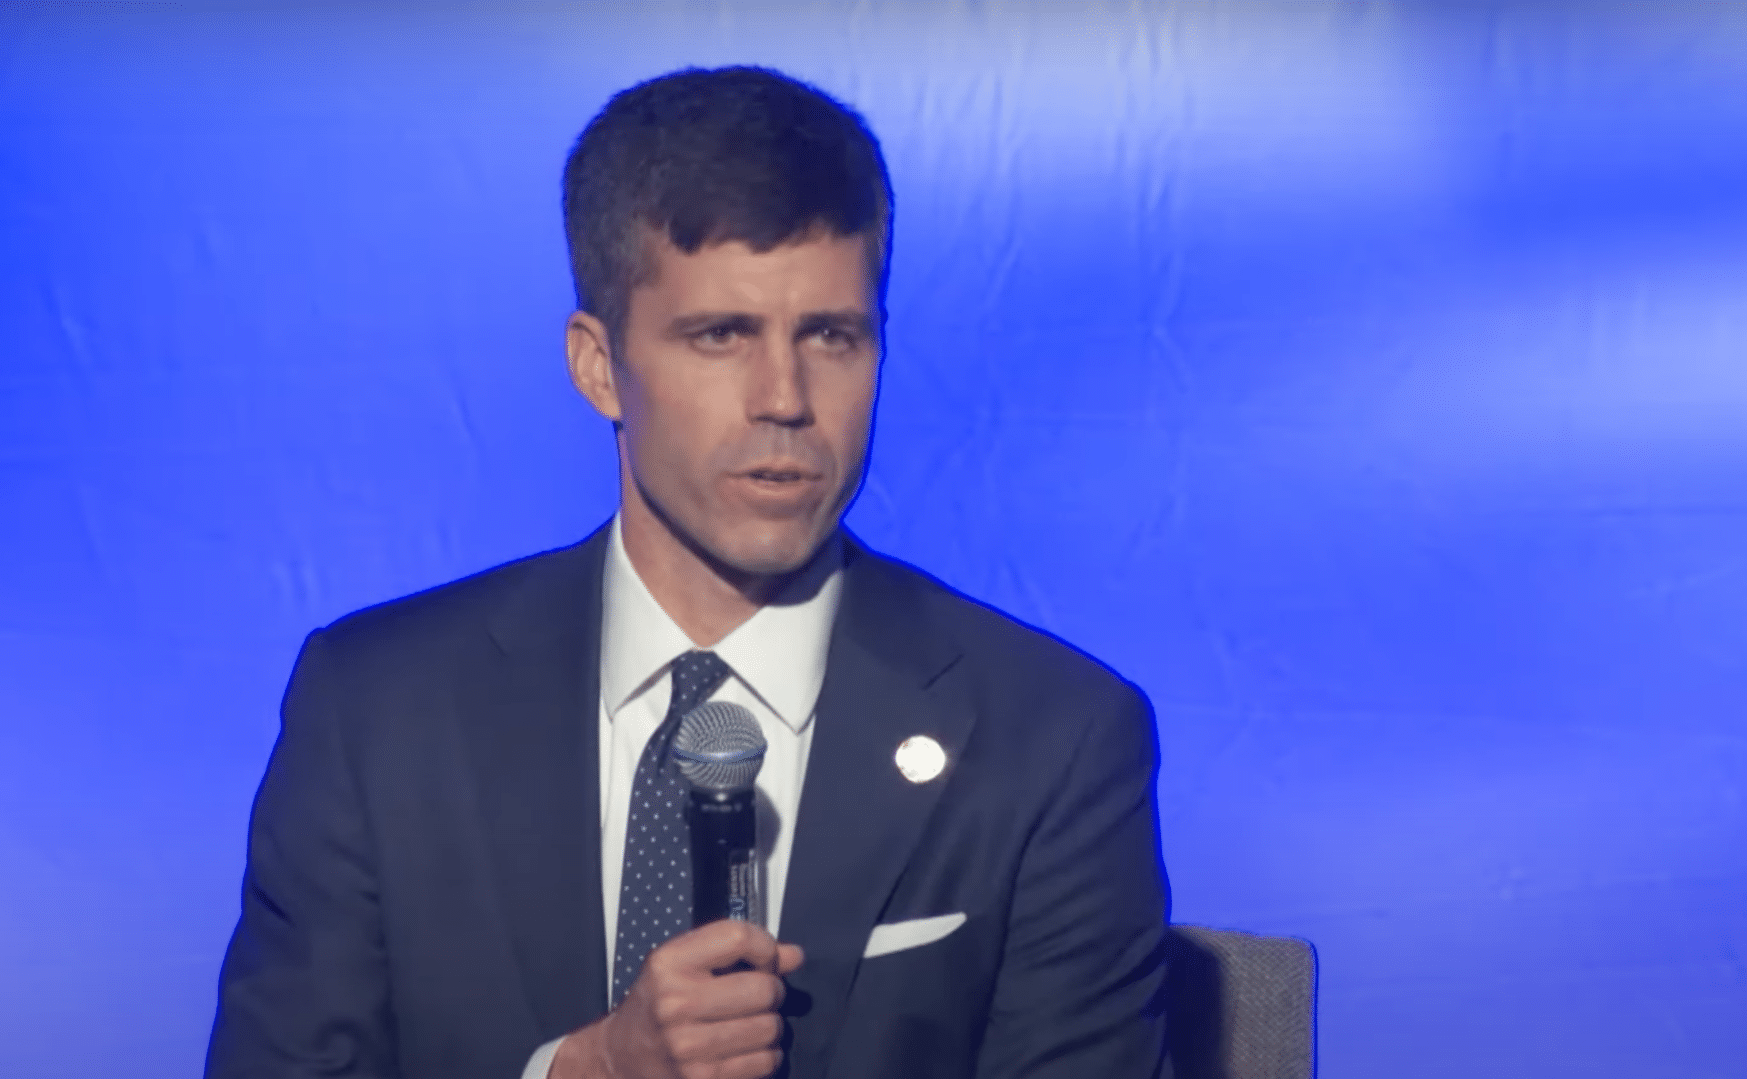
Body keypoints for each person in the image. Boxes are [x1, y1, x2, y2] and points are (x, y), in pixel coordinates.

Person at [205, 65, 1172, 1079]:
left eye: (831, 336)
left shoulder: (1053, 737)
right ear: (597, 366)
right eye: (720, 336)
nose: (784, 397)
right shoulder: (376, 709)